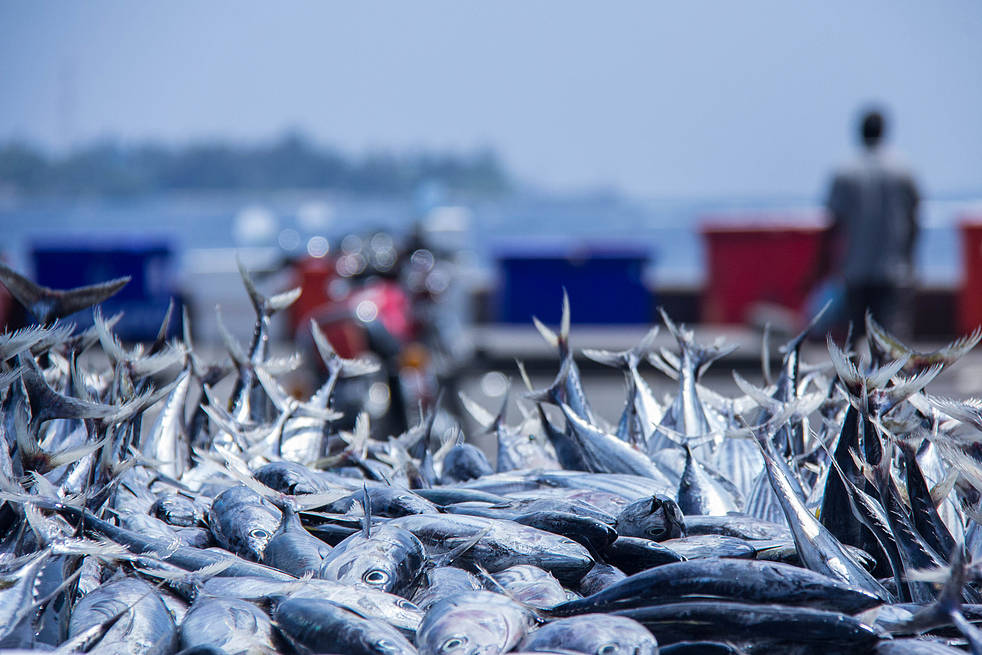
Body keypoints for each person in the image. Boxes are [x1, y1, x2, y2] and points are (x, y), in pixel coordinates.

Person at [816, 108, 920, 341]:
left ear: (859, 132)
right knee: (893, 341)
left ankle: (854, 378)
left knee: (853, 338)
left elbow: (833, 223)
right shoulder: (903, 170)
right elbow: (914, 218)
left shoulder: (844, 172)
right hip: (894, 269)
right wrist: (910, 259)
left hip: (854, 268)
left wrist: (825, 265)